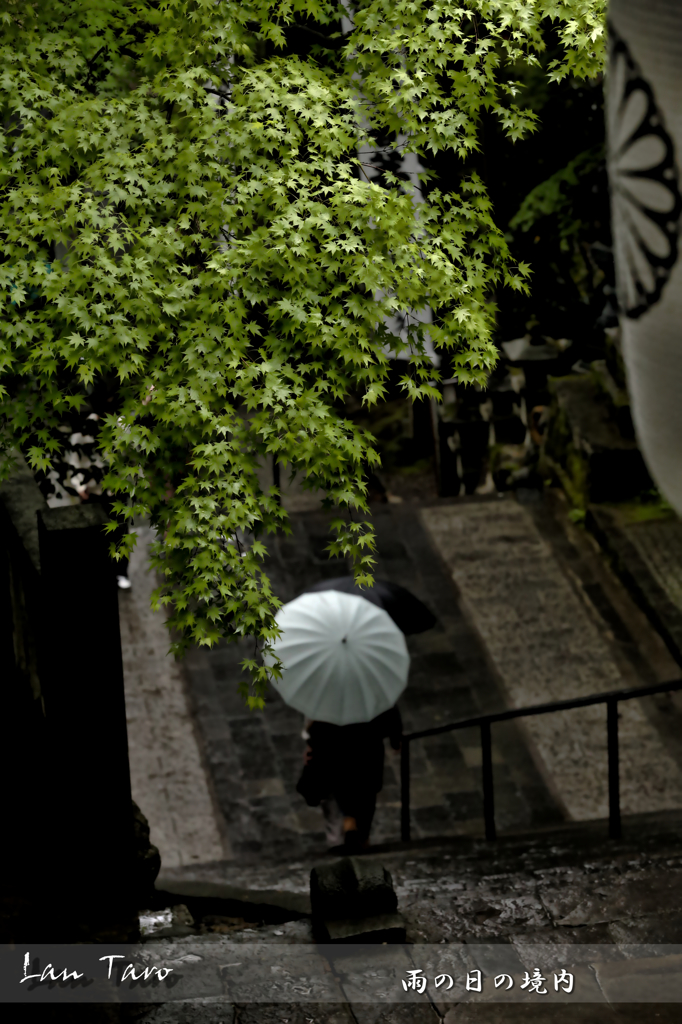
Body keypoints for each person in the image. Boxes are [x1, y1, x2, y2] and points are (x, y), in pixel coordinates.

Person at [297, 705, 403, 850]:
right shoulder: (371, 688)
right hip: (367, 755)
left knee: (337, 807)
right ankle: (360, 837)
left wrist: (311, 745)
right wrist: (395, 740)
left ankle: (346, 834)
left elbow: (314, 725)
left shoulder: (324, 692)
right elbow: (390, 714)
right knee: (366, 801)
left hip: (334, 757)